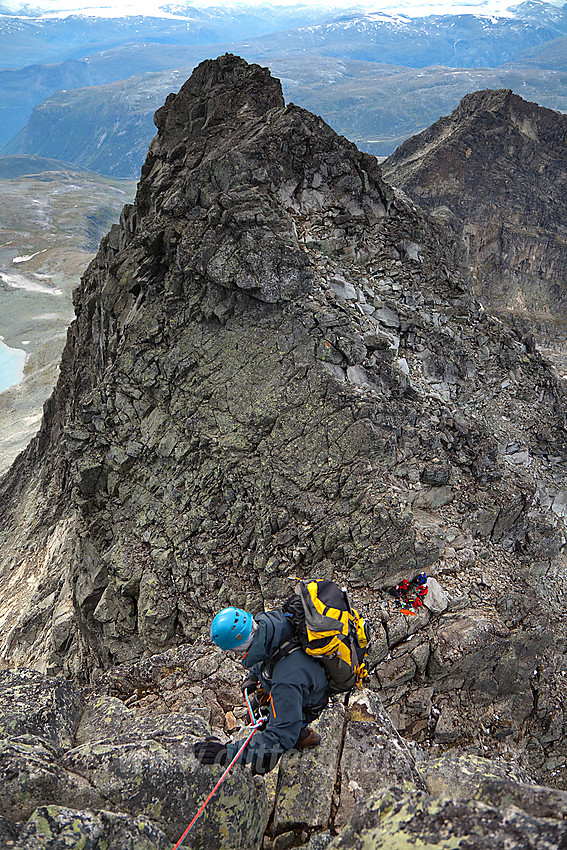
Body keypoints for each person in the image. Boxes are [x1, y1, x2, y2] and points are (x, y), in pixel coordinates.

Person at [193, 605, 330, 774]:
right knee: (257, 707)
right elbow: (269, 649)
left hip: (307, 699)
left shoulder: (286, 682)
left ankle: (297, 738)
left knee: (272, 744)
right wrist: (254, 675)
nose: (236, 655)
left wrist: (227, 753)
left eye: (235, 651)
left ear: (241, 644)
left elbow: (280, 735)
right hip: (302, 679)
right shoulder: (269, 623)